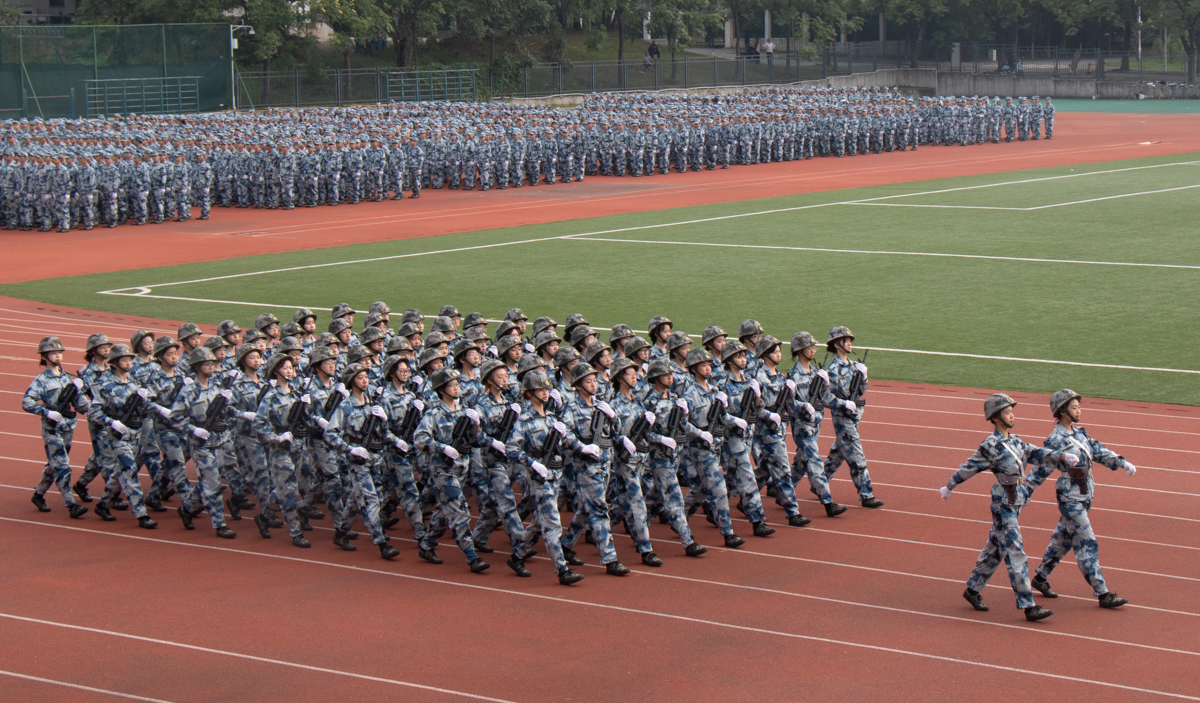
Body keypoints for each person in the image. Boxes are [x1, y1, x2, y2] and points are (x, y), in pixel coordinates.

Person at [939, 393, 1076, 622]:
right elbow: (969, 467)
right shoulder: (990, 446)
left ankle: (972, 589)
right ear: (995, 417)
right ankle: (1028, 605)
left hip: (1017, 498)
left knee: (995, 548)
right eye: (1007, 412)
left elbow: (1035, 453)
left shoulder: (1016, 441)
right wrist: (950, 486)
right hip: (1003, 502)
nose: (1012, 415)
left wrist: (1061, 456)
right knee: (1015, 551)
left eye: (1012, 411)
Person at [1024, 390, 1135, 609]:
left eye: (1079, 407)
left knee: (1063, 539)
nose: (1079, 411)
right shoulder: (1055, 440)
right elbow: (1041, 468)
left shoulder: (1080, 434)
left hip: (1085, 493)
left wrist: (1122, 462)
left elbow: (1098, 451)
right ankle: (1102, 592)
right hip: (1070, 497)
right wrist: (1026, 491)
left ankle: (1040, 577)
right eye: (1074, 407)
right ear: (1062, 411)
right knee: (1087, 541)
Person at [506, 370, 584, 584]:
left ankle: (517, 555)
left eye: (546, 388)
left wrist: (583, 447)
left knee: (540, 522)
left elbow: (568, 440)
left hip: (556, 474)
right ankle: (562, 570)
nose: (546, 392)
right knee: (552, 523)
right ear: (530, 393)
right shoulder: (524, 420)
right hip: (540, 478)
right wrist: (531, 463)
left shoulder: (551, 417)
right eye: (541, 389)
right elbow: (511, 448)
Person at [413, 367, 489, 571]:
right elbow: (420, 439)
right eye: (452, 385)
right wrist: (441, 447)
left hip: (461, 469)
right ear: (441, 389)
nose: (457, 388)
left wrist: (475, 425)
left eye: (458, 384)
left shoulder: (464, 411)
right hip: (443, 471)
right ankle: (472, 556)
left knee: (445, 511)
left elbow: (476, 440)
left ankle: (427, 544)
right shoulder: (434, 413)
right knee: (459, 511)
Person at [171, 347, 238, 538]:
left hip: (219, 440)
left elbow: (228, 412)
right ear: (197, 367)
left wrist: (231, 406)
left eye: (213, 364)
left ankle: (188, 508)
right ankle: (219, 524)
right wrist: (193, 429)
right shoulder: (189, 390)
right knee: (213, 483)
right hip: (201, 442)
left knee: (208, 480)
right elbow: (175, 417)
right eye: (207, 364)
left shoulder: (218, 386)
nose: (211, 367)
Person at [23, 336, 89, 518]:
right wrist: (45, 412)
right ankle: (71, 505)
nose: (58, 356)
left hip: (68, 426)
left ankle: (38, 495)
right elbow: (26, 402)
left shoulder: (69, 378)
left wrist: (82, 392)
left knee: (55, 464)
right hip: (51, 427)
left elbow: (81, 405)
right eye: (53, 353)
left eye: (59, 352)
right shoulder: (41, 380)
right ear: (44, 356)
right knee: (62, 465)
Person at [822, 327, 884, 509]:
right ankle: (866, 494)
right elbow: (826, 397)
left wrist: (864, 377)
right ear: (836, 344)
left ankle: (820, 482)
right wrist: (843, 404)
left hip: (854, 414)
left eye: (850, 340)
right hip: (842, 417)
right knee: (856, 454)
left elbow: (859, 391)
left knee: (839, 451)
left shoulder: (852, 365)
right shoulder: (833, 369)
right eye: (846, 340)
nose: (849, 343)